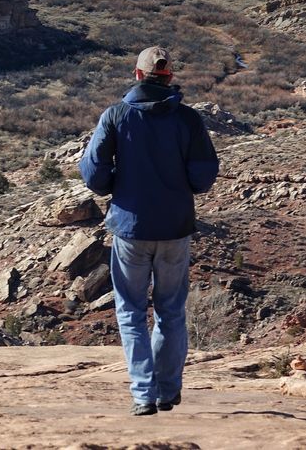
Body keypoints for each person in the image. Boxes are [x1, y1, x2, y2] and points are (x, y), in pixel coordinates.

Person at [78, 46, 220, 416]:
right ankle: (168, 390)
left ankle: (143, 393)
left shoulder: (116, 116)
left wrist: (117, 185)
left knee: (131, 312)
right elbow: (203, 178)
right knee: (171, 311)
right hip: (175, 227)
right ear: (169, 77)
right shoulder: (187, 119)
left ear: (137, 75)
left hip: (130, 227)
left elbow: (94, 174)